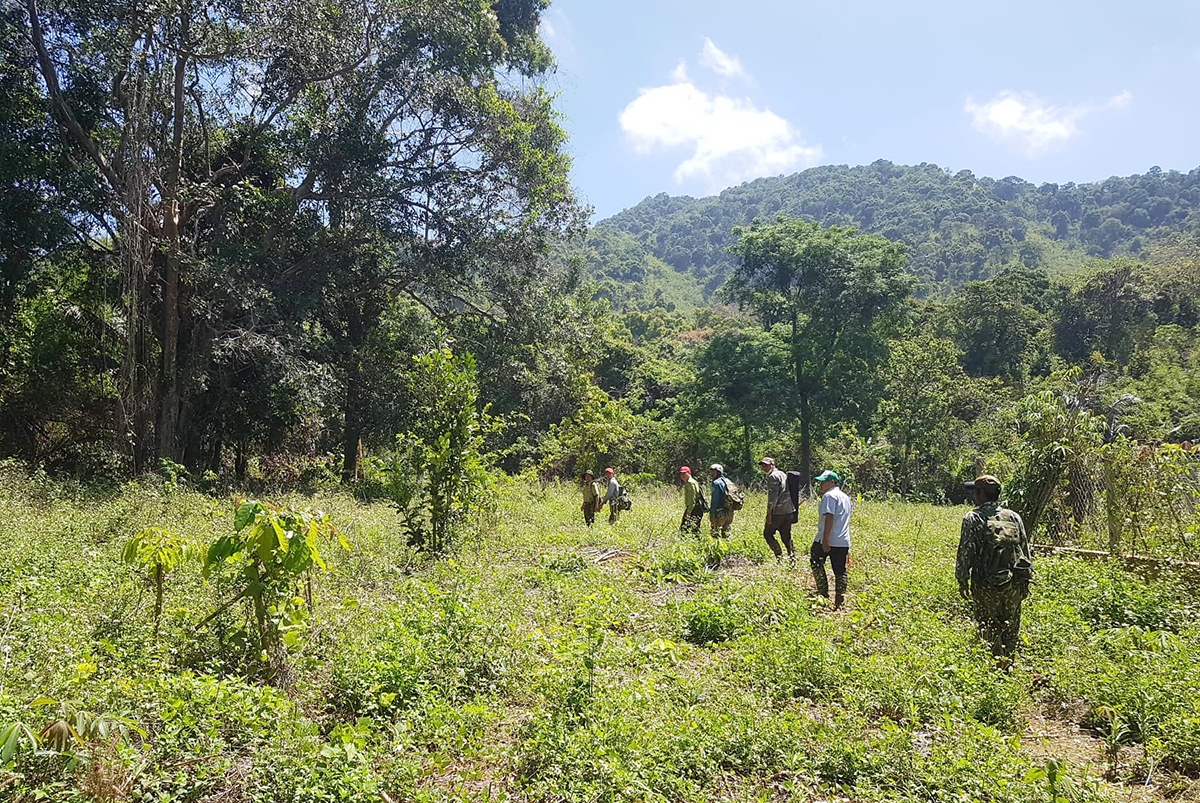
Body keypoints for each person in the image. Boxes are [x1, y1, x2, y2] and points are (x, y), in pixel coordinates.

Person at [956, 474, 1032, 664]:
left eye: (975, 491)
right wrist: (1025, 582)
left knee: (987, 625)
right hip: (1013, 583)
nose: (974, 495)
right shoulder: (1014, 517)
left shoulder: (973, 517)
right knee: (1010, 628)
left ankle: (993, 668)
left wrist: (962, 580)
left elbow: (966, 552)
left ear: (981, 494)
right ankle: (1007, 665)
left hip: (985, 583)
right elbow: (1024, 550)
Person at [811, 469, 851, 608]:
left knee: (816, 562)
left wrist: (826, 539)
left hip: (827, 538)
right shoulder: (845, 497)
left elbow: (830, 517)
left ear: (832, 482)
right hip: (843, 540)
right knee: (840, 570)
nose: (820, 484)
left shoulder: (829, 496)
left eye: (823, 482)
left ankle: (823, 594)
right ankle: (840, 600)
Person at [760, 457, 797, 563]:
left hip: (778, 512)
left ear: (773, 464)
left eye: (766, 465)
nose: (764, 467)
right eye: (763, 465)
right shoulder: (782, 474)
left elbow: (772, 498)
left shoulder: (773, 477)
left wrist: (769, 514)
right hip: (789, 510)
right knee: (786, 535)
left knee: (768, 534)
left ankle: (779, 557)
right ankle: (792, 557)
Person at [708, 463, 734, 538]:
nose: (711, 474)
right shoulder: (728, 481)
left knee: (715, 533)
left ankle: (716, 549)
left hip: (720, 512)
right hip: (730, 512)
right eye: (711, 471)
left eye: (713, 472)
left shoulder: (716, 483)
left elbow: (715, 500)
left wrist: (712, 514)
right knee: (726, 534)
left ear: (718, 472)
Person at [679, 466, 705, 535]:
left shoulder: (690, 483)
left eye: (684, 474)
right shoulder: (693, 482)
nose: (682, 476)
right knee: (695, 529)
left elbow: (692, 499)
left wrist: (689, 512)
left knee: (684, 529)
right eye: (681, 474)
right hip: (696, 508)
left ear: (689, 473)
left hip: (694, 508)